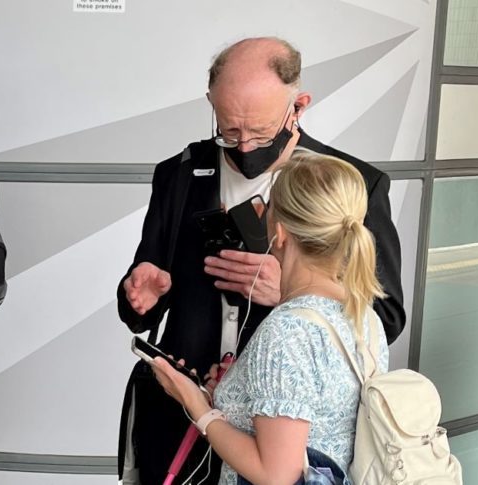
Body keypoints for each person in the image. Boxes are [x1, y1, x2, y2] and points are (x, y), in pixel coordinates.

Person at [115, 37, 405, 484]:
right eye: (230, 130)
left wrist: (290, 294)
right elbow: (142, 303)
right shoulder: (179, 173)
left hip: (274, 449)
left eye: (261, 132)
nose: (245, 146)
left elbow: (384, 318)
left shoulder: (353, 185)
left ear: (299, 106)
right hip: (177, 428)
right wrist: (139, 296)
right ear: (211, 102)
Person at [152, 151, 390, 484]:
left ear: (278, 233)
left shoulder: (286, 332)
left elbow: (278, 475)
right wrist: (240, 386)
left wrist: (197, 406)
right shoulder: (363, 315)